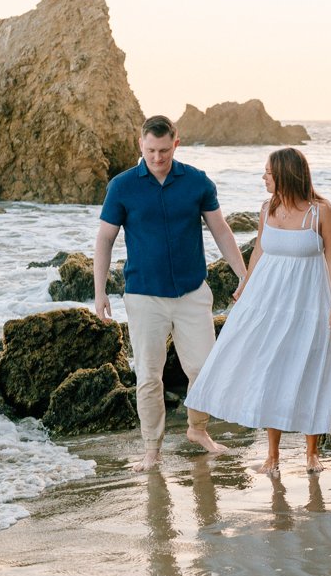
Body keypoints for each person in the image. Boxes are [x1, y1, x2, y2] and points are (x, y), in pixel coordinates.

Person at [95, 114, 249, 471]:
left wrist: (244, 276)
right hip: (144, 296)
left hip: (192, 293)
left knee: (204, 369)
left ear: (175, 144)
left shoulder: (196, 182)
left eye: (164, 150)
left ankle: (198, 429)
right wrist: (100, 290)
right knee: (149, 375)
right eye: (151, 150)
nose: (158, 157)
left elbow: (221, 231)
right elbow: (105, 238)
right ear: (140, 144)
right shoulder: (122, 186)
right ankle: (152, 448)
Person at [183, 147, 331, 475]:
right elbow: (259, 250)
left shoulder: (321, 212)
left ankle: (312, 453)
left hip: (310, 303)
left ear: (285, 174)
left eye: (268, 172)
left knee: (312, 371)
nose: (264, 178)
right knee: (273, 372)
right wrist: (245, 284)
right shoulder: (267, 208)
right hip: (270, 303)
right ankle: (273, 456)